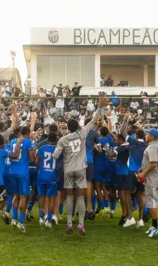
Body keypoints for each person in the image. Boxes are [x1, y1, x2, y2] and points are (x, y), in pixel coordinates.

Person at [53, 98, 106, 236]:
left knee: (70, 197)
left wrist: (62, 152)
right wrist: (99, 108)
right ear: (77, 126)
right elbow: (93, 122)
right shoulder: (82, 134)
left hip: (68, 170)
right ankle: (81, 224)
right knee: (81, 197)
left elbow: (54, 155)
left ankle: (69, 223)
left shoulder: (63, 139)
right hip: (81, 169)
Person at [137, 128, 158, 238]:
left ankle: (156, 225)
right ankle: (153, 225)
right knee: (151, 202)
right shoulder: (154, 146)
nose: (146, 136)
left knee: (152, 203)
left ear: (153, 136)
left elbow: (153, 164)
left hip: (153, 178)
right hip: (155, 177)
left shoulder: (152, 147)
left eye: (148, 134)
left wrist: (143, 173)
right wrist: (142, 169)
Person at [9, 127, 35, 233]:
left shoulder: (13, 141)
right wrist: (32, 149)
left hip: (12, 170)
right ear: (28, 133)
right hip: (23, 172)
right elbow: (32, 159)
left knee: (16, 196)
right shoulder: (28, 142)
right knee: (24, 196)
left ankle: (14, 219)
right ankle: (21, 222)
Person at [35, 132, 61, 229]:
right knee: (51, 198)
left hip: (41, 175)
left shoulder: (42, 148)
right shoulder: (57, 149)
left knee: (41, 196)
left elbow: (36, 160)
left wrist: (40, 169)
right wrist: (57, 173)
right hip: (52, 177)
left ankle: (41, 217)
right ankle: (48, 219)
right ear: (56, 140)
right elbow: (61, 164)